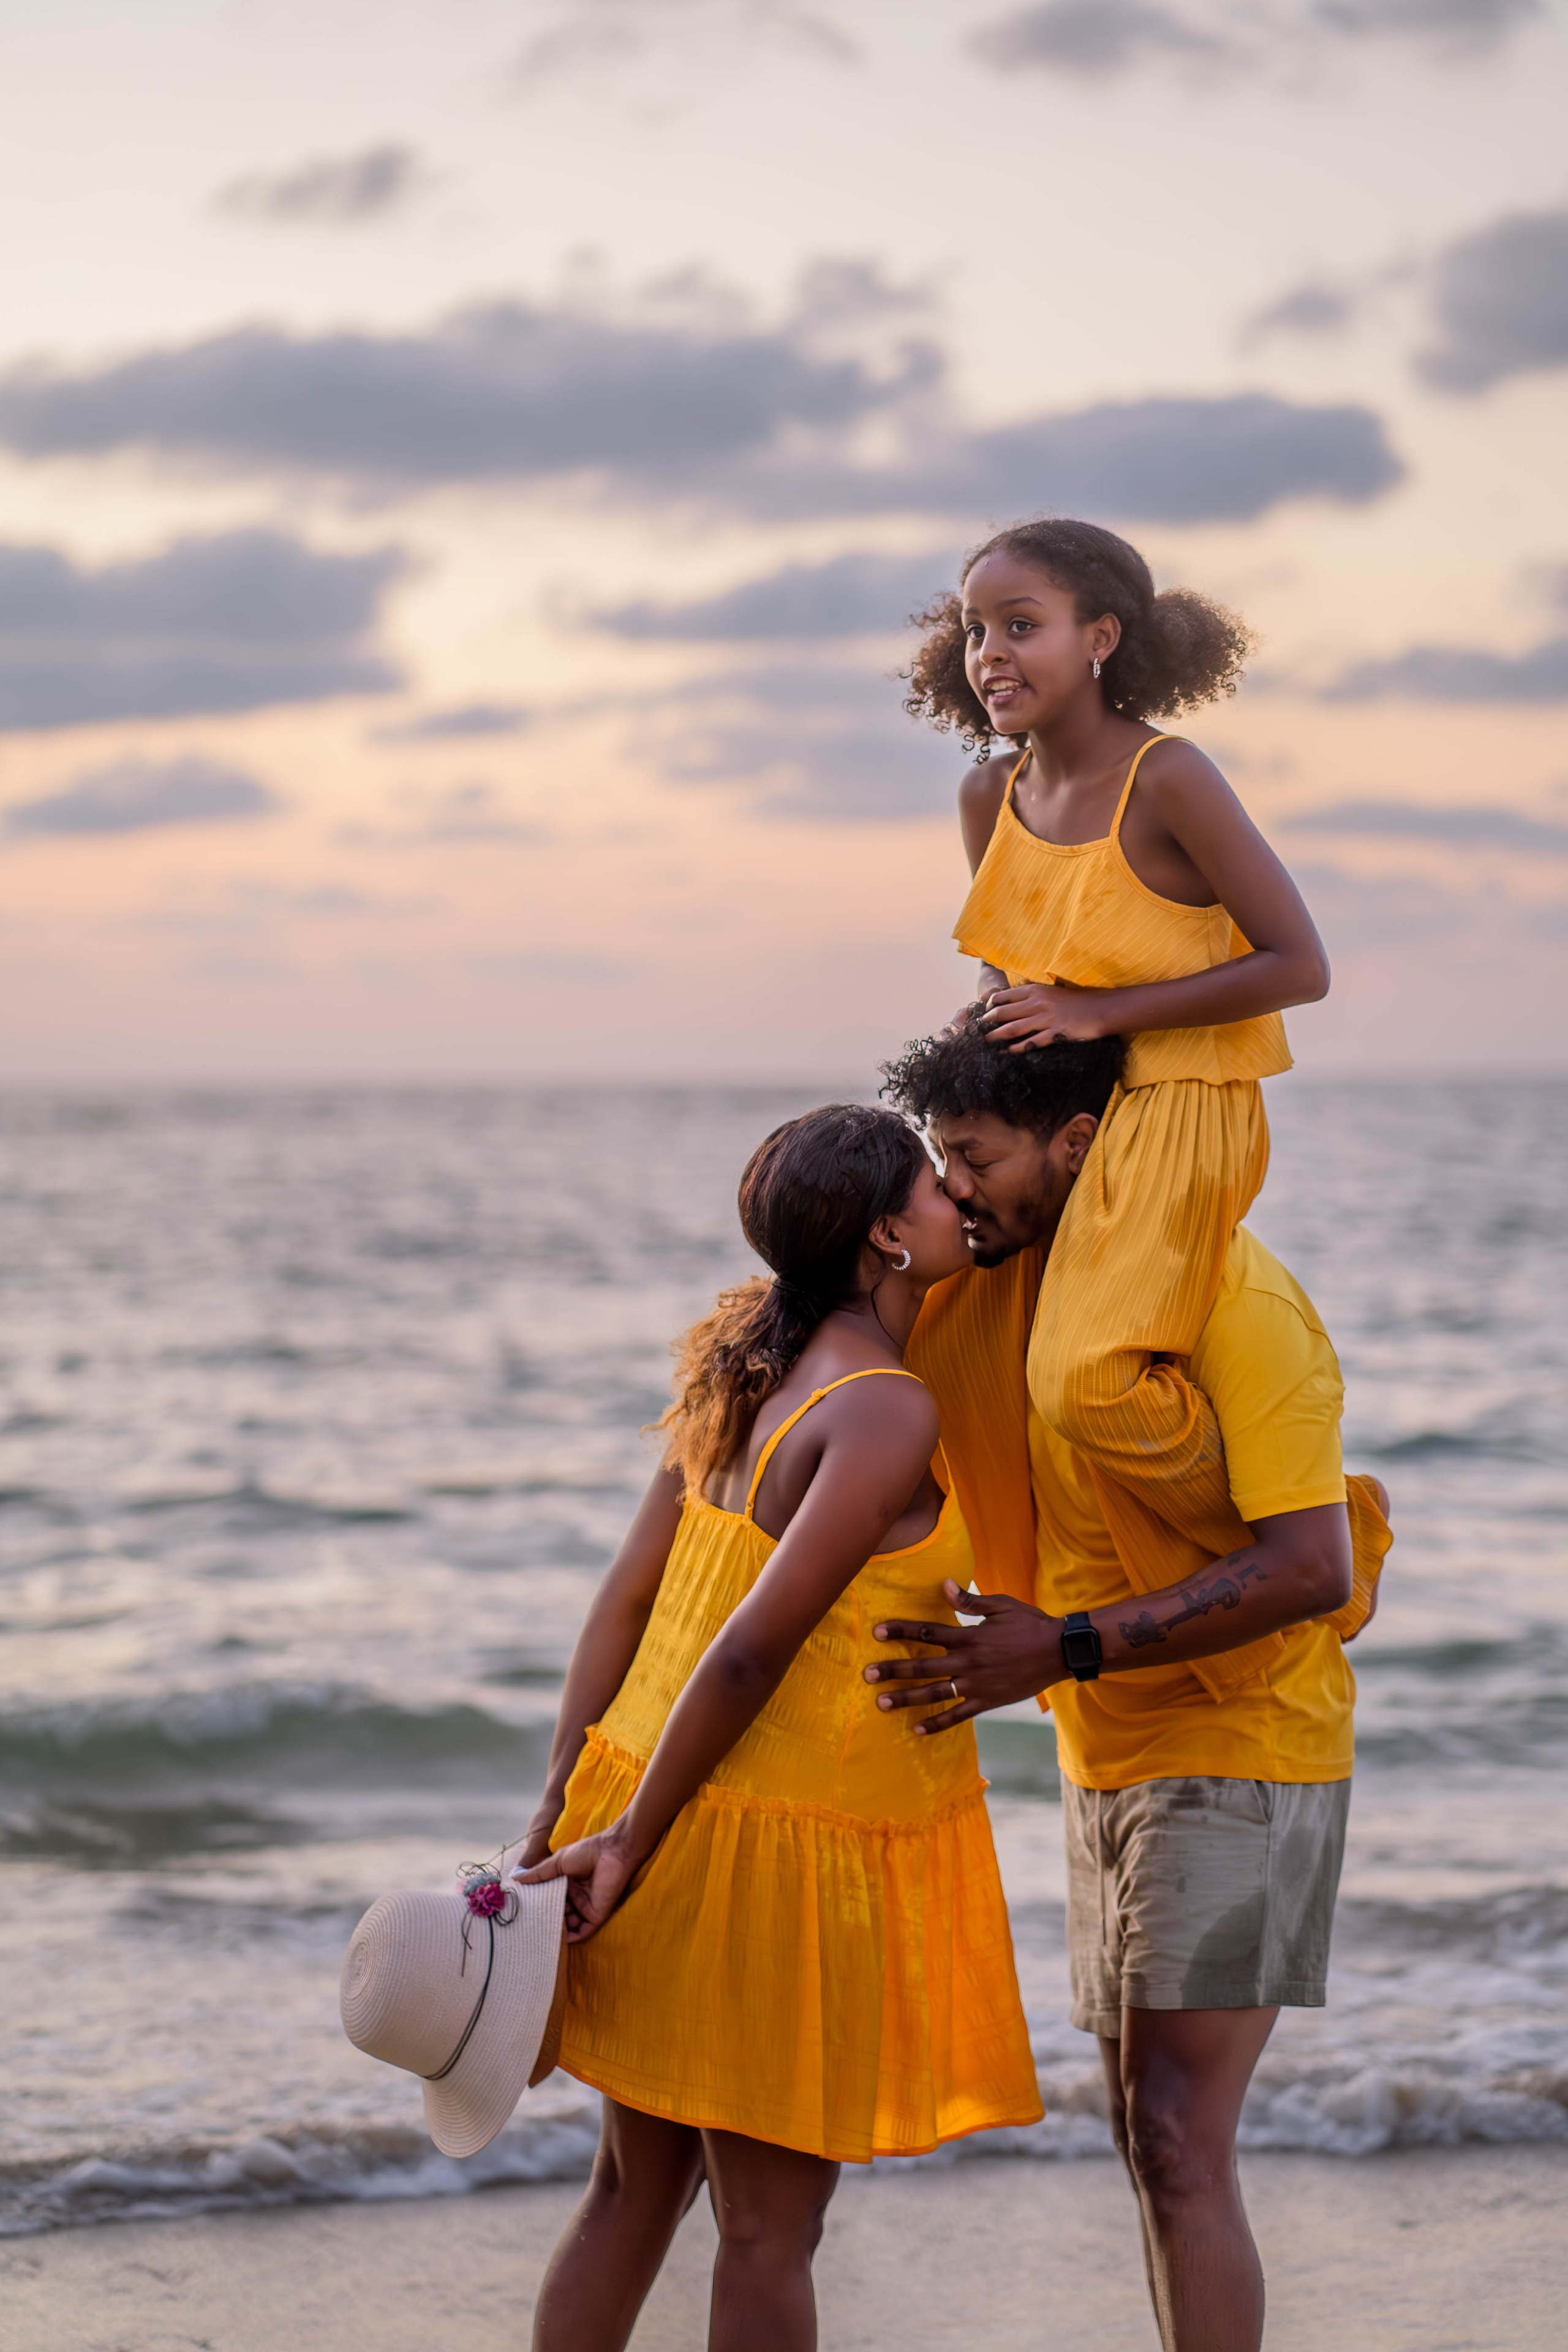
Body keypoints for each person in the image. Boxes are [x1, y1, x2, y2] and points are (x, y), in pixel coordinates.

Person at [877, 1018, 1392, 2352]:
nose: (949, 1186)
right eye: (937, 1158)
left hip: (1245, 1743)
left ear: (1077, 1144)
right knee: (1136, 2130)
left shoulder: (1230, 1295)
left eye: (971, 1155)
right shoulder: (995, 1288)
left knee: (1175, 2134)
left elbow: (1306, 1567)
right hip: (1103, 1752)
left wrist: (1061, 1650)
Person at [513, 1104, 1042, 2352]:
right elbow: (749, 1645)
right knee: (766, 2233)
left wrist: (565, 1800)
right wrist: (633, 1838)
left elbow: (629, 1598)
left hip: (640, 1796)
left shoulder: (736, 1365)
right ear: (881, 1238)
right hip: (761, 1850)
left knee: (631, 2189)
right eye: (931, 1184)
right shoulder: (880, 1409)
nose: (954, 1199)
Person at [904, 519, 1332, 1661]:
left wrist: (1099, 1011)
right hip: (1064, 1122)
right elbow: (1015, 965)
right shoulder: (984, 798)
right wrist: (989, 1019)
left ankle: (1283, 1550)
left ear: (1103, 638)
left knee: (1085, 1382)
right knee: (954, 1352)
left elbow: (1300, 965)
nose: (990, 653)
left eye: (1022, 626)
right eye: (976, 631)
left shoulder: (1169, 777)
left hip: (1187, 1106)